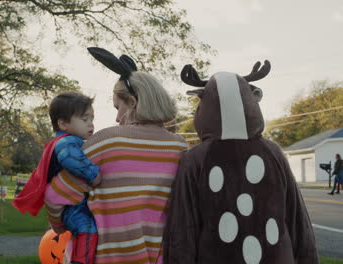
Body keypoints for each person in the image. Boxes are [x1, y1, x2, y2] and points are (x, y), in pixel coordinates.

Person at [163, 62, 319, 263]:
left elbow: (182, 229)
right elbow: (299, 220)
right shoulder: (273, 152)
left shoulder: (195, 159)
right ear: (251, 101)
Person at [44, 47, 188, 264]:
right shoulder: (180, 148)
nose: (118, 117)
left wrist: (60, 226)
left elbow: (56, 198)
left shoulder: (106, 141)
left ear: (132, 103)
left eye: (118, 107)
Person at [12, 92, 101, 264]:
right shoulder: (66, 142)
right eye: (85, 119)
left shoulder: (68, 140)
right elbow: (69, 158)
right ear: (63, 123)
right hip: (69, 206)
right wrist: (93, 174)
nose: (91, 124)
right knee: (87, 227)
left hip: (71, 201)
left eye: (92, 118)